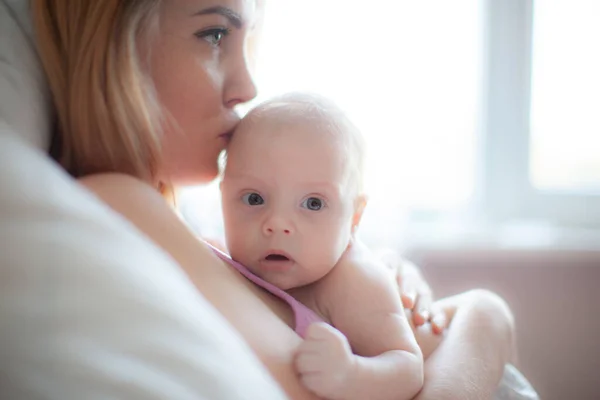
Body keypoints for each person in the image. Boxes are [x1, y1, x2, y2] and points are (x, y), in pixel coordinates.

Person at [31, 1, 516, 399]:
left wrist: (368, 282)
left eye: (313, 204)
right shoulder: (119, 204)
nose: (248, 87)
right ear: (117, 42)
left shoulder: (201, 238)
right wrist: (482, 316)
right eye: (215, 34)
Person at [218, 92, 423, 400]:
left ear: (355, 216)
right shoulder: (219, 264)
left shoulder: (354, 280)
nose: (277, 223)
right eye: (254, 199)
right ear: (223, 199)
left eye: (313, 203)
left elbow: (409, 368)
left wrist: (351, 375)